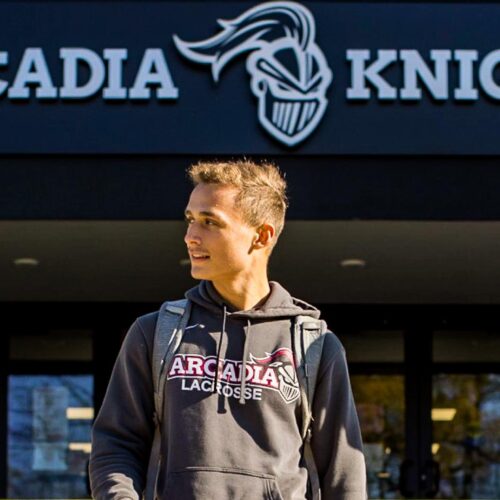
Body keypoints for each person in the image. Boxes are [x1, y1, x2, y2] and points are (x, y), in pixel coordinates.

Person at [89, 160, 367, 499]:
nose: (190, 236)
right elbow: (115, 445)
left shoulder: (314, 345)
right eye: (190, 220)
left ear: (261, 235)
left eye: (209, 222)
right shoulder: (156, 333)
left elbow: (344, 475)